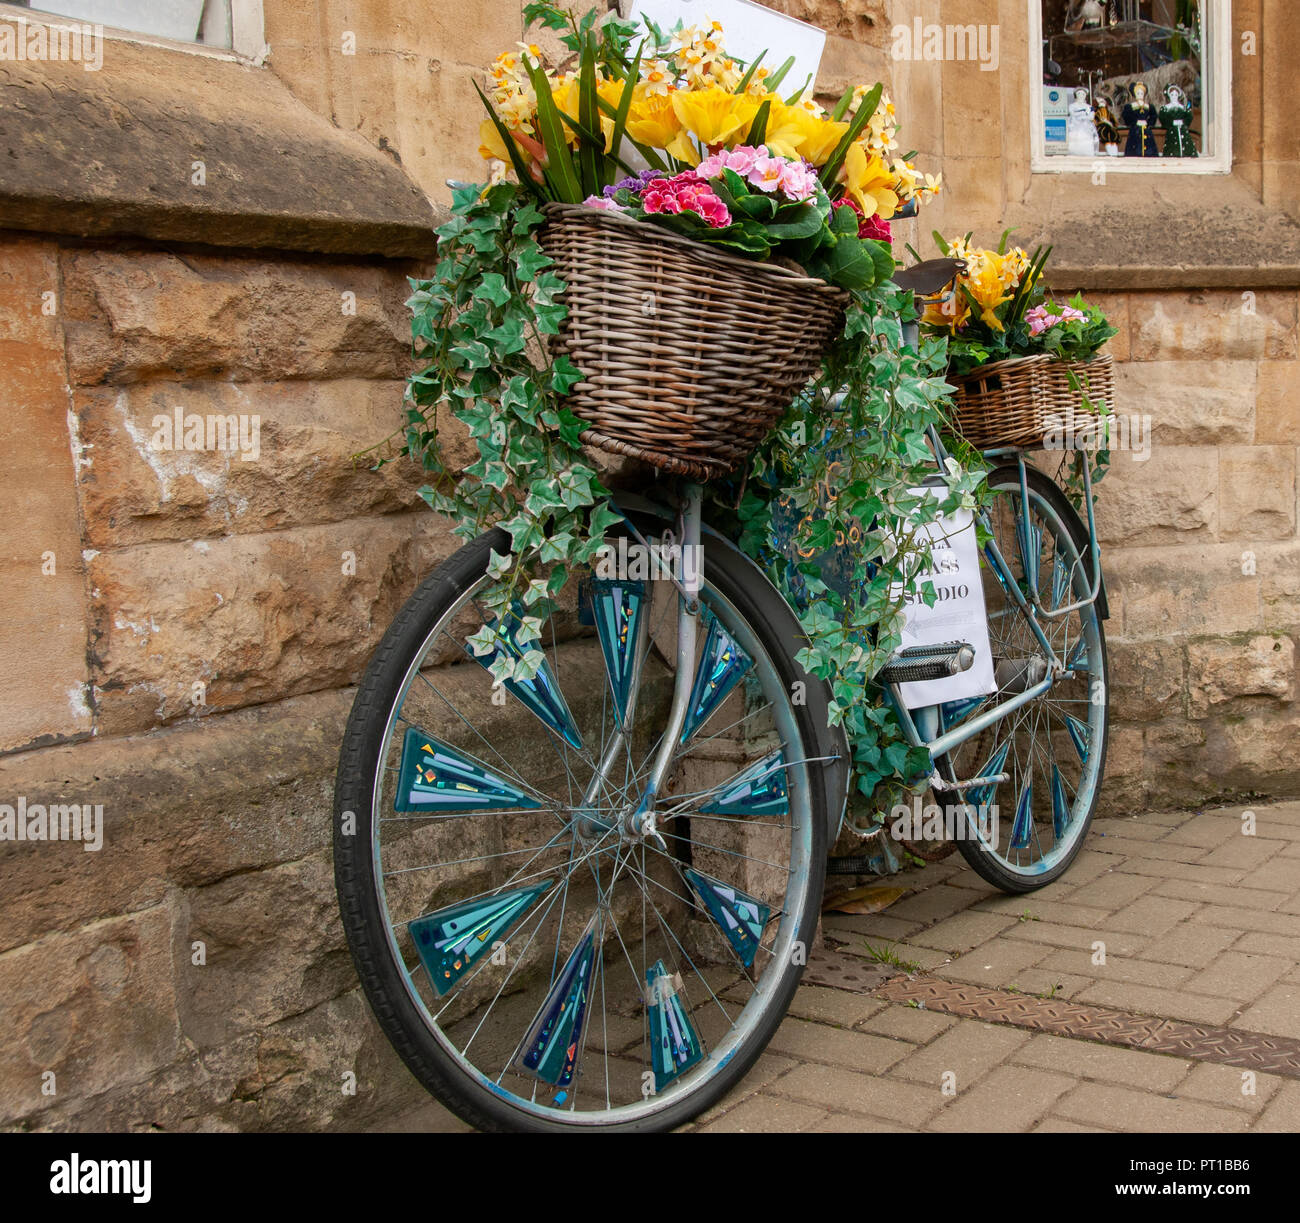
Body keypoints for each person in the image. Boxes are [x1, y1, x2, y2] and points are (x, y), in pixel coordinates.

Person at [1122, 81, 1160, 157]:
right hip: (1135, 130)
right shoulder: (1131, 106)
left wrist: (1149, 123)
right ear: (1135, 94)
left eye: (1142, 93)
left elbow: (1154, 116)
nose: (1140, 95)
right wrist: (1135, 122)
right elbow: (1126, 116)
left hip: (1146, 130)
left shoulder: (1148, 106)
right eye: (1138, 93)